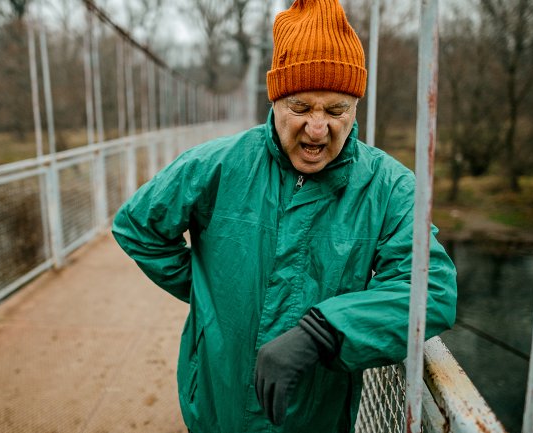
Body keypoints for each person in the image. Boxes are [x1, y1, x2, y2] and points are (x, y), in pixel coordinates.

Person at [112, 0, 457, 431]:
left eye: (336, 110)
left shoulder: (389, 188)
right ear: (275, 100)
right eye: (301, 108)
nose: (317, 128)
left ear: (355, 107)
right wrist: (211, 295)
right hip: (218, 403)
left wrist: (324, 332)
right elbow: (137, 226)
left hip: (314, 416)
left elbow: (431, 291)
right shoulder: (216, 165)